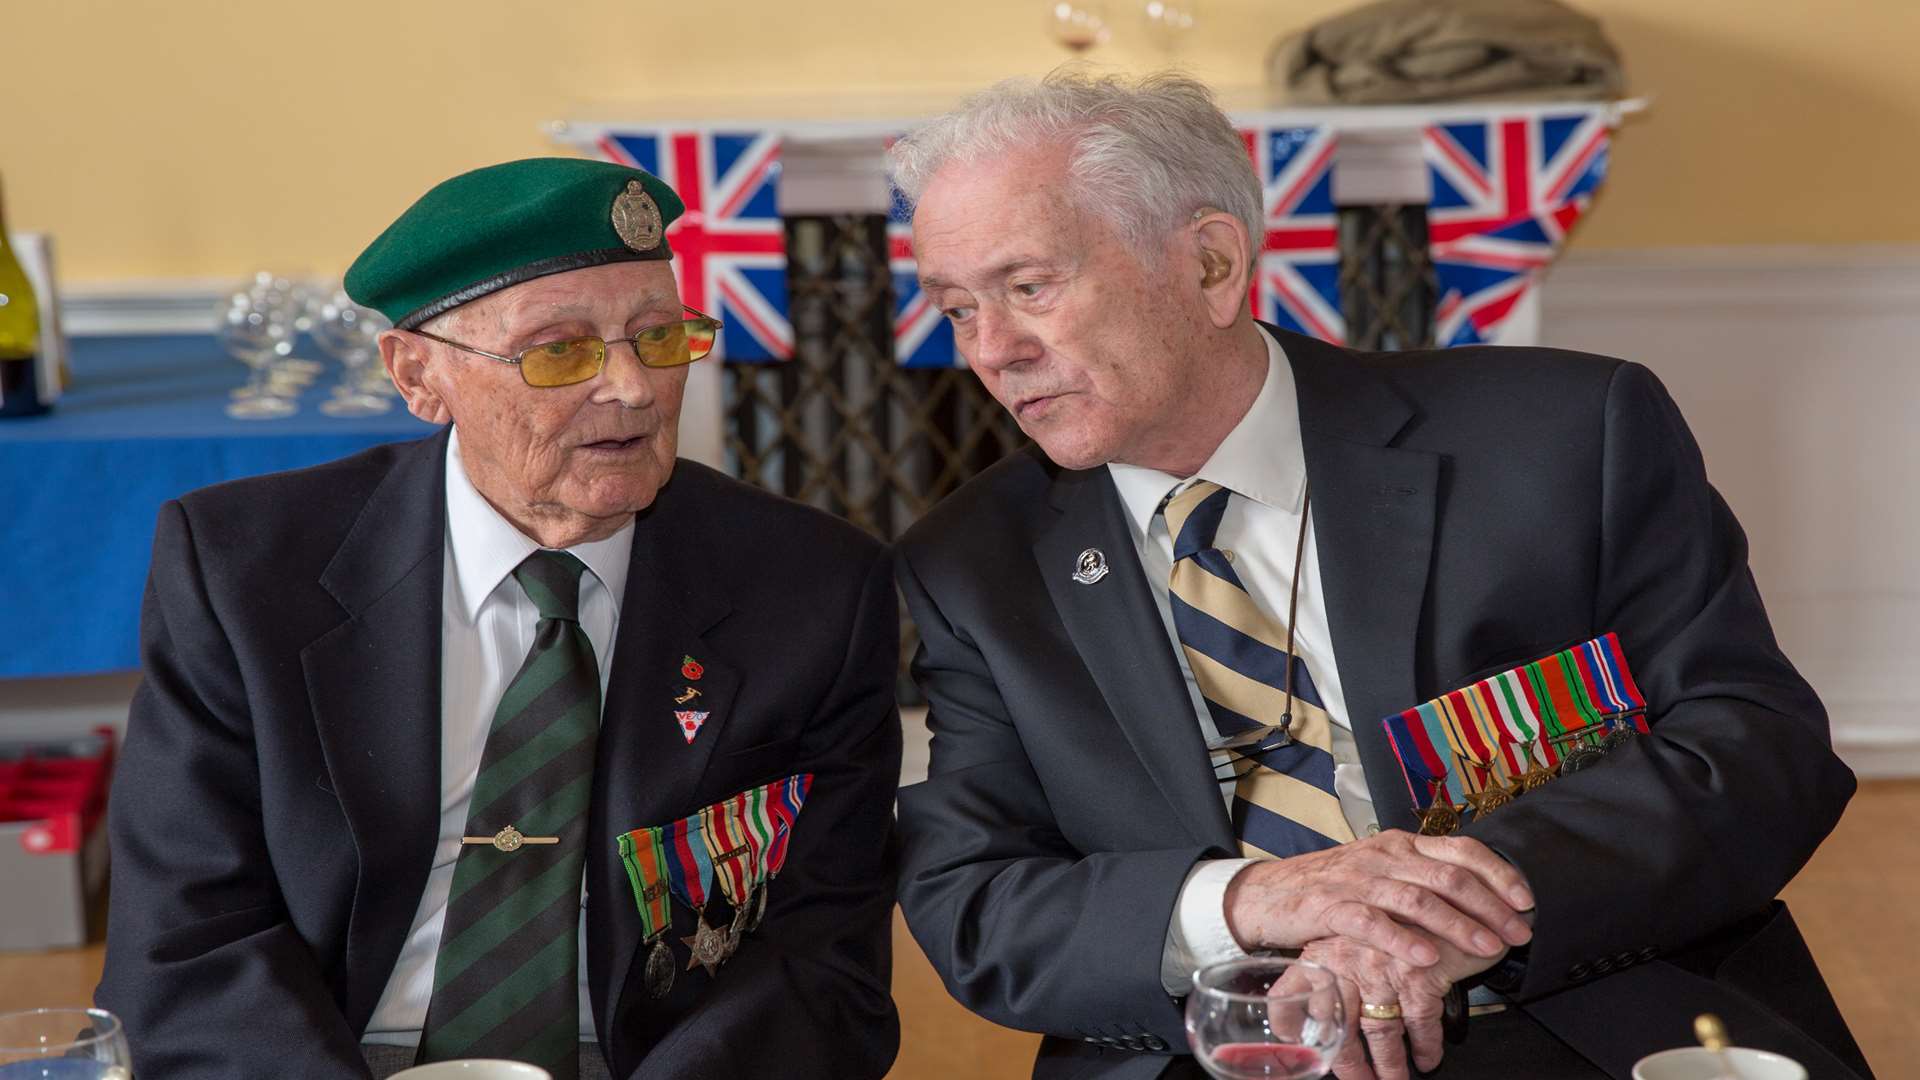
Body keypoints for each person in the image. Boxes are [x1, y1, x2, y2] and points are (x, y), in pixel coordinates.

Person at [887, 72, 1872, 1080]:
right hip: (1214, 1045)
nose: (992, 352)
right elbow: (974, 902)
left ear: (1213, 264)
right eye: (956, 307)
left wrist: (1448, 909)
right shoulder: (972, 564)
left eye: (1028, 287)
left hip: (1577, 1003)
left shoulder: (1563, 435)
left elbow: (1755, 744)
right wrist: (1248, 903)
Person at [97, 158, 901, 1080]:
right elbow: (188, 939)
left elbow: (819, 956)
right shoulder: (244, 572)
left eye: (662, 336)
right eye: (560, 351)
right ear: (418, 375)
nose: (635, 389)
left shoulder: (812, 590)